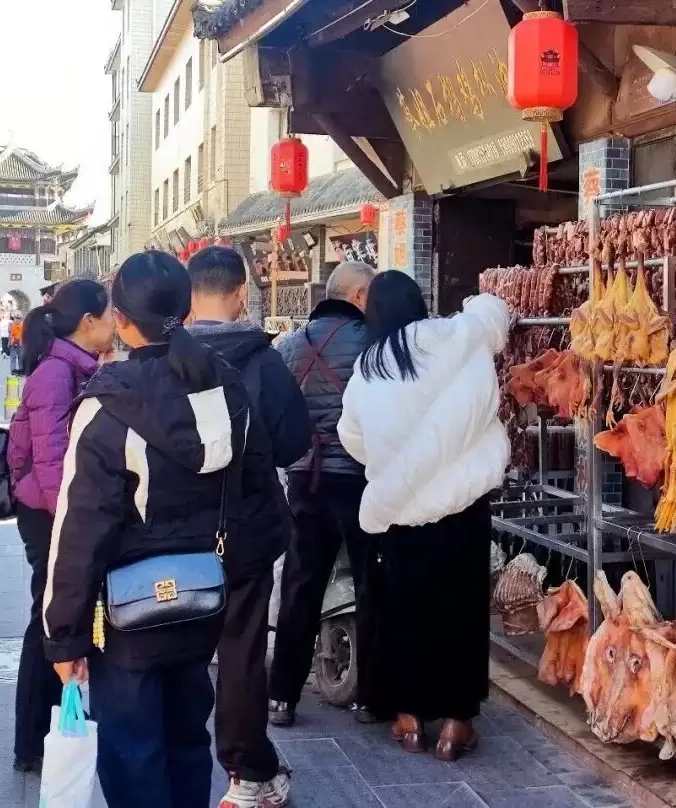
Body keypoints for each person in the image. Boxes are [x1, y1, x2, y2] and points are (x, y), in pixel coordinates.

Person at [42, 251, 284, 807]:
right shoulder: (226, 388)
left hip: (129, 613)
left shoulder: (109, 403)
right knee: (186, 739)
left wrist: (64, 634)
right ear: (186, 308)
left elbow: (80, 530)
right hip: (204, 600)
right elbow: (260, 496)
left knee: (133, 753)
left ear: (121, 320)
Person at [336, 271, 510, 761]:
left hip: (403, 512)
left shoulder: (370, 367)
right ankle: (456, 724)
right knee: (462, 611)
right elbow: (492, 313)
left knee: (405, 611)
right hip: (465, 507)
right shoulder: (459, 336)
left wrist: (396, 465)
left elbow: (352, 436)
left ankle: (410, 720)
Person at [185, 245, 312, 808]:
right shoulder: (264, 361)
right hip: (245, 532)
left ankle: (175, 758)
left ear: (190, 296)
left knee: (176, 645)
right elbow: (293, 442)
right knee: (240, 650)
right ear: (241, 293)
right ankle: (246, 774)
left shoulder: (163, 358)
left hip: (174, 535)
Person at [5, 279, 116, 772]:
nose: (116, 323)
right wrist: (71, 530)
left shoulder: (77, 366)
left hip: (59, 509)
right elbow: (52, 465)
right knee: (47, 621)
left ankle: (50, 727)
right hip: (50, 512)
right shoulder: (56, 373)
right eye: (109, 315)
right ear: (88, 322)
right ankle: (32, 742)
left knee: (56, 619)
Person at [268, 260, 376, 727]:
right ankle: (370, 698)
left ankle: (282, 697)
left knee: (300, 586)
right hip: (359, 479)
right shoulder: (373, 343)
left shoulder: (289, 345)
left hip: (305, 480)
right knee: (372, 586)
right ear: (358, 297)